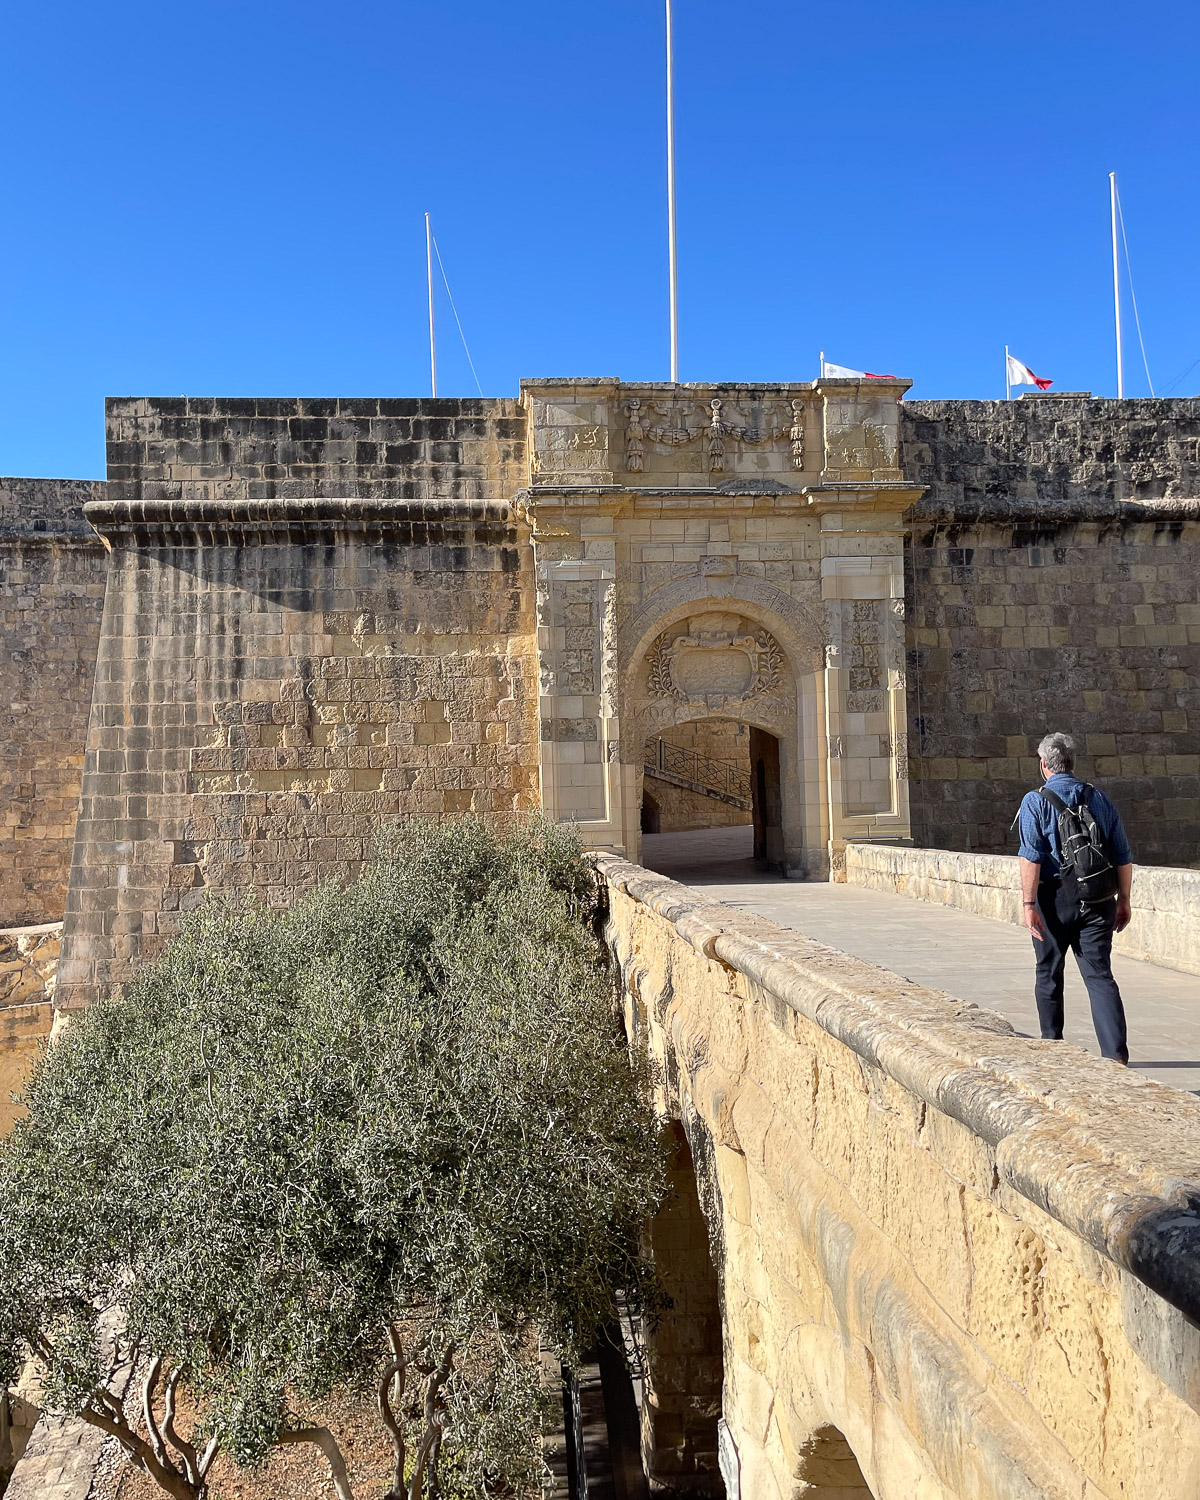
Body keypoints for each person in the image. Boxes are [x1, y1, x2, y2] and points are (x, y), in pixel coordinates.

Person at [1016, 731, 1133, 1064]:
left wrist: (1028, 905)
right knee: (1099, 976)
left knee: (1049, 972)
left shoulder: (1035, 801)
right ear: (1072, 763)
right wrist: (1123, 900)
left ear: (1044, 765)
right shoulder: (1098, 797)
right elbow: (1123, 854)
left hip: (1053, 899)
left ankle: (1053, 1049)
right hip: (1098, 898)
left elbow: (1031, 857)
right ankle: (1115, 1056)